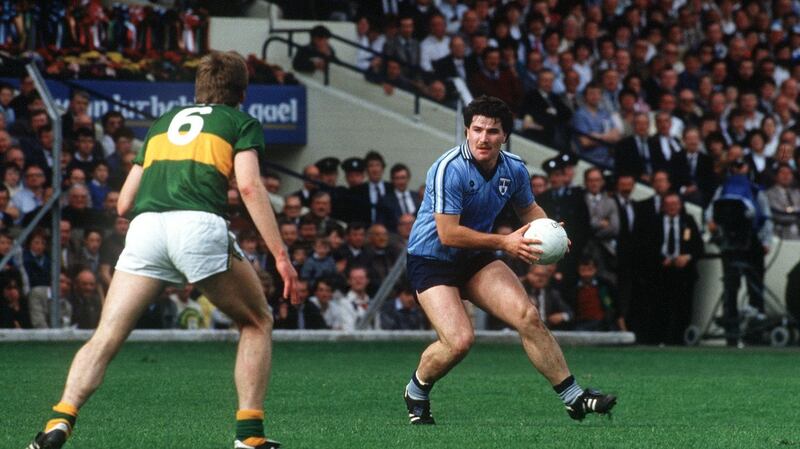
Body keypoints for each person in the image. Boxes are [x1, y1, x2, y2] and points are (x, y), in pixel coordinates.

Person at [25, 51, 298, 449]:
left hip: (146, 229)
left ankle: (59, 420)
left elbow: (122, 204)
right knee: (257, 322)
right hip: (198, 225)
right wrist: (281, 255)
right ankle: (249, 437)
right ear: (242, 91)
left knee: (106, 335)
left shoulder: (163, 124)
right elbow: (251, 187)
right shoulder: (240, 122)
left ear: (199, 87)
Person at [403, 95, 615, 426]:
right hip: (432, 259)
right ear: (466, 130)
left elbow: (528, 210)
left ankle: (574, 398)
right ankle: (417, 390)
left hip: (475, 257)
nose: (483, 138)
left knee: (528, 316)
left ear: (505, 136)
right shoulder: (449, 169)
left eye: (492, 131)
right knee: (459, 342)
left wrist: (551, 232)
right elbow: (448, 233)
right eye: (476, 130)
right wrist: (506, 242)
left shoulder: (513, 167)